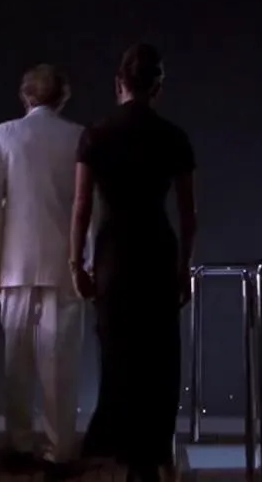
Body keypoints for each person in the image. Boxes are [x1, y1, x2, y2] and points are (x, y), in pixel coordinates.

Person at [69, 43, 198, 482]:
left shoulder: (96, 134)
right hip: (157, 251)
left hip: (113, 254)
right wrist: (184, 267)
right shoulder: (174, 136)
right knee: (158, 357)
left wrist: (76, 263)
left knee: (118, 352)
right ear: (157, 87)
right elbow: (188, 214)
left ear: (118, 83)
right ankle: (150, 456)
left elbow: (82, 206)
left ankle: (117, 449)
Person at [0, 63, 88, 479]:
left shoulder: (0, 136)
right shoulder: (80, 137)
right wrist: (87, 260)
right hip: (65, 266)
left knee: (16, 362)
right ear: (63, 97)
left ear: (25, 96)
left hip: (15, 266)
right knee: (61, 364)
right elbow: (89, 204)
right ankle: (61, 451)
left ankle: (20, 443)